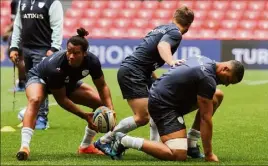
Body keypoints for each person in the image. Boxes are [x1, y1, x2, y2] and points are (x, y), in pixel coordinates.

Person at [95, 6, 195, 156]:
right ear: (188, 25)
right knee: (142, 117)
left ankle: (154, 146)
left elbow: (147, 55)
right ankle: (104, 141)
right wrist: (171, 61)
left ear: (174, 18)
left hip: (140, 71)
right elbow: (163, 46)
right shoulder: (175, 33)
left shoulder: (161, 28)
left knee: (156, 108)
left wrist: (156, 80)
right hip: (133, 72)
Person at [109, 56, 245, 161]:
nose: (226, 84)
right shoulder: (207, 78)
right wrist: (209, 154)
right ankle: (123, 140)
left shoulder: (205, 60)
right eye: (228, 80)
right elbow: (205, 118)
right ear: (225, 69)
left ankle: (191, 145)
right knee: (178, 154)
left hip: (166, 94)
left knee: (217, 95)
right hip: (162, 105)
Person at [16, 28, 115, 161]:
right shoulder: (56, 66)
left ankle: (85, 146)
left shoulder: (92, 61)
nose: (71, 56)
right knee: (35, 100)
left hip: (66, 83)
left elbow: (102, 86)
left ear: (85, 53)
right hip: (41, 78)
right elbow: (62, 100)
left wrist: (110, 109)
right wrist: (85, 116)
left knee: (99, 104)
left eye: (76, 53)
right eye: (69, 51)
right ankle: (24, 147)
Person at [9, 0, 64, 129]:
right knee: (31, 83)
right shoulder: (23, 2)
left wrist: (54, 48)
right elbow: (18, 25)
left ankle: (42, 118)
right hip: (27, 49)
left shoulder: (52, 3)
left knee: (40, 83)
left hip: (44, 49)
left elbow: (57, 26)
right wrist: (14, 47)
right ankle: (33, 115)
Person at [2, 0, 26, 91]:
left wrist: (7, 30)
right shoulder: (14, 3)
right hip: (18, 32)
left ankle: (22, 83)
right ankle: (23, 81)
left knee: (17, 56)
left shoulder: (19, 2)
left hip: (21, 33)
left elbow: (18, 18)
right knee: (18, 57)